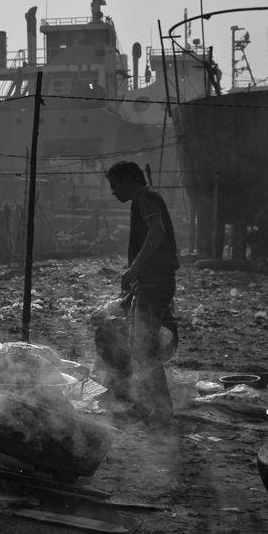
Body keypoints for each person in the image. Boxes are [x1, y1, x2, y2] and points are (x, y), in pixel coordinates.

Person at [104, 161, 180, 425]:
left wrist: (134, 269)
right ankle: (147, 404)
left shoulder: (144, 198)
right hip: (150, 282)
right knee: (140, 347)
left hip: (154, 282)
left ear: (128, 179)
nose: (113, 192)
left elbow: (157, 232)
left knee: (144, 348)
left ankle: (159, 410)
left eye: (115, 185)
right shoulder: (147, 198)